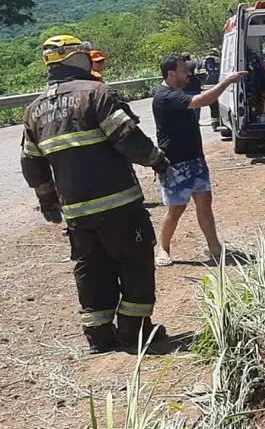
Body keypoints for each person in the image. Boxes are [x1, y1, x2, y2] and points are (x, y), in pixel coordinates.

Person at [20, 35, 171, 354]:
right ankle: (135, 333)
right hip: (119, 206)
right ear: (78, 59)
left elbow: (32, 164)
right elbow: (128, 139)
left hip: (77, 215)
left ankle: (99, 337)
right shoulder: (95, 94)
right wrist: (158, 161)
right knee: (135, 265)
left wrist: (48, 202)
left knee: (92, 271)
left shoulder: (34, 111)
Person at [152, 53, 246, 266]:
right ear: (170, 73)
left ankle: (215, 249)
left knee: (204, 203)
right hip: (175, 164)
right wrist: (227, 81)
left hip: (195, 160)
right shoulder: (165, 96)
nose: (189, 74)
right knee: (176, 209)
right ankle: (163, 249)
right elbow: (203, 100)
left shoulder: (176, 92)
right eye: (184, 71)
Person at [203, 50, 221, 128]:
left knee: (212, 104)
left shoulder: (204, 61)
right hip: (218, 83)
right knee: (219, 103)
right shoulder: (219, 60)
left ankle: (214, 122)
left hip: (208, 83)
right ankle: (220, 120)